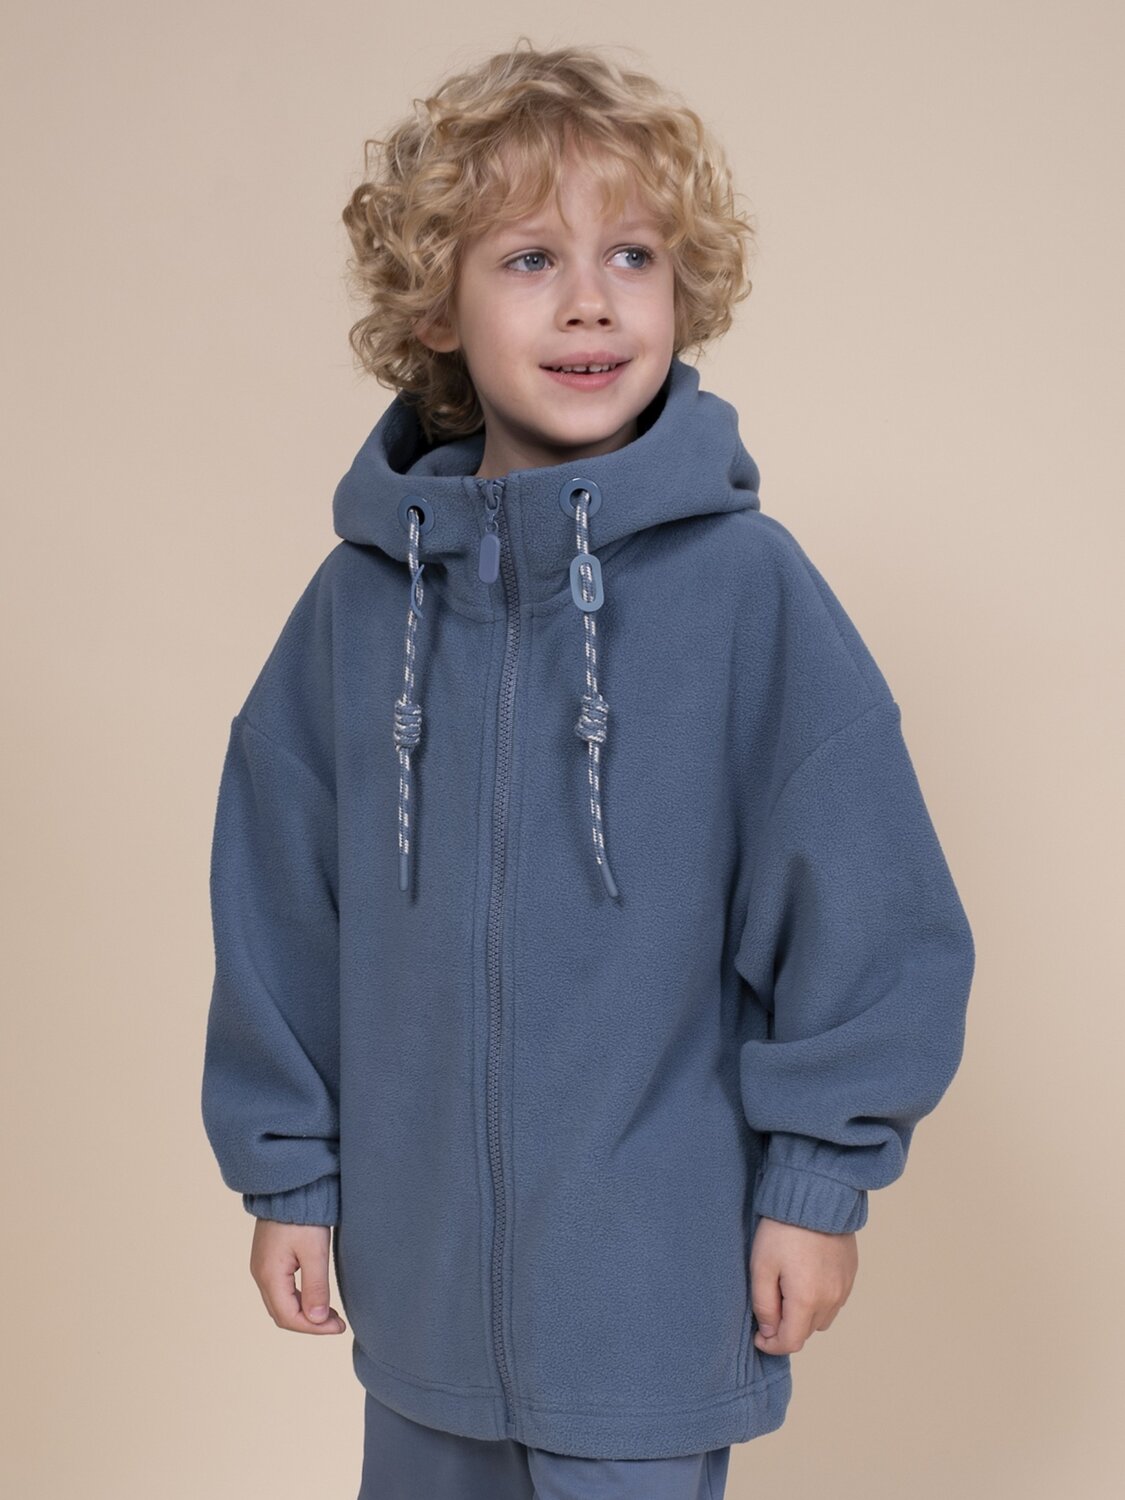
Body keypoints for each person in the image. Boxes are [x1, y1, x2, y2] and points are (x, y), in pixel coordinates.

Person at [200, 38, 976, 1500]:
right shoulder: (359, 611)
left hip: (653, 1298)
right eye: (528, 258)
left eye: (633, 254)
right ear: (434, 303)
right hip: (421, 1299)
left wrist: (819, 1183)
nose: (590, 300)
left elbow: (873, 915)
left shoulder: (747, 593)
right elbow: (279, 908)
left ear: (685, 291)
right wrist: (288, 1171)